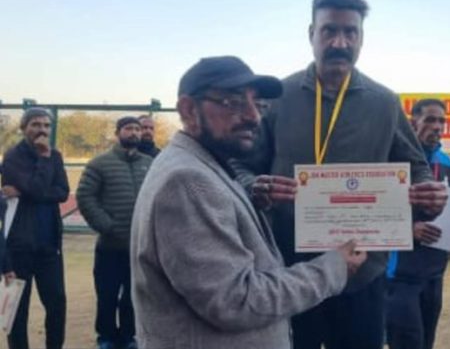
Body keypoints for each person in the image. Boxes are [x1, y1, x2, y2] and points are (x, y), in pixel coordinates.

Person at [232, 0, 446, 349]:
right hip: (290, 271)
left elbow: (415, 166)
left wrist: (430, 192)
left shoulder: (384, 102)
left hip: (362, 273)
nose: (340, 42)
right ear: (311, 34)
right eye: (329, 30)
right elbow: (239, 164)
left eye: (351, 32)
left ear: (362, 38)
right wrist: (255, 186)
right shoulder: (277, 98)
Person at [131, 56, 365, 349]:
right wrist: (334, 267)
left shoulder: (203, 164)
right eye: (234, 102)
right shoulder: (188, 181)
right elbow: (236, 301)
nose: (253, 116)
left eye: (258, 104)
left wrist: (255, 203)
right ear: (189, 110)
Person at [76, 116, 153, 349]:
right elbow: (85, 196)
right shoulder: (99, 163)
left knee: (133, 297)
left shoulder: (149, 163)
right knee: (107, 296)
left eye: (138, 129)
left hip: (138, 247)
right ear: (117, 133)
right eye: (129, 128)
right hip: (109, 247)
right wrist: (106, 225)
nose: (134, 133)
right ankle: (106, 338)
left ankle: (130, 337)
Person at [385, 98, 450, 349]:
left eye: (442, 121)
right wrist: (408, 230)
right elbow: (372, 211)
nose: (437, 126)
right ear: (413, 122)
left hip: (435, 271)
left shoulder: (447, 163)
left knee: (426, 343)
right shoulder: (392, 159)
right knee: (407, 343)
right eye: (430, 120)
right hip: (400, 274)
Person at [1, 107, 69, 349]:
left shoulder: (56, 156)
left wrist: (29, 191)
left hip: (49, 245)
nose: (42, 130)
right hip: (19, 247)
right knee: (17, 309)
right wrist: (42, 158)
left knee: (57, 303)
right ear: (24, 128)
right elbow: (39, 190)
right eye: (36, 125)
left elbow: (62, 193)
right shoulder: (12, 157)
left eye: (46, 125)